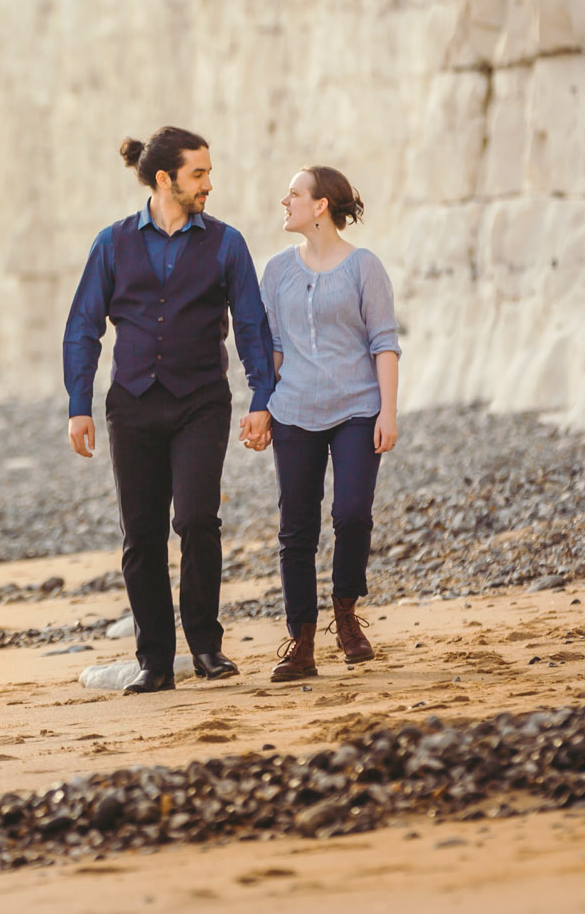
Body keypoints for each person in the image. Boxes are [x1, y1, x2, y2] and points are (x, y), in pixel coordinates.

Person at [63, 127, 276, 691]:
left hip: (201, 401)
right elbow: (83, 327)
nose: (209, 183)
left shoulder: (227, 243)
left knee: (197, 519)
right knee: (142, 533)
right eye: (198, 173)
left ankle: (206, 646)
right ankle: (154, 661)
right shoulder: (111, 243)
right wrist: (77, 405)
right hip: (131, 405)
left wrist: (263, 397)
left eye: (208, 172)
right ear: (166, 179)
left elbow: (253, 326)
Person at [243, 165, 400, 681]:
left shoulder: (364, 267)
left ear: (321, 207)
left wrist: (389, 412)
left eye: (293, 195)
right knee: (296, 529)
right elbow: (275, 351)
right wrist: (260, 407)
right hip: (293, 413)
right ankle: (302, 642)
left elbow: (384, 343)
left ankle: (346, 613)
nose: (284, 202)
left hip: (357, 408)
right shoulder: (277, 271)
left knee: (352, 512)